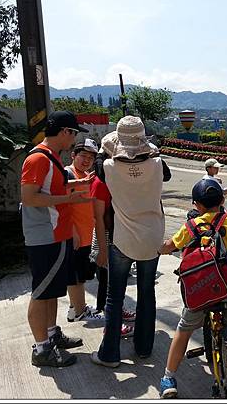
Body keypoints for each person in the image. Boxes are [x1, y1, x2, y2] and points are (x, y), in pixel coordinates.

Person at [158, 179, 227, 398]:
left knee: (184, 328)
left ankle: (168, 378)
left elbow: (169, 246)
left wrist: (158, 248)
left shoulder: (190, 227)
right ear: (222, 200)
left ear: (196, 205)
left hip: (201, 290)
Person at [20, 110, 93, 367]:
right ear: (65, 133)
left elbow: (52, 191)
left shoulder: (52, 158)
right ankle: (41, 349)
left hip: (56, 234)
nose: (74, 140)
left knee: (51, 291)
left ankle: (51, 335)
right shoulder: (38, 159)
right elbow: (29, 198)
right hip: (44, 237)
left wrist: (76, 187)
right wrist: (67, 198)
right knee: (41, 292)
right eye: (74, 134)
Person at [90, 116, 165, 368]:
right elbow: (166, 172)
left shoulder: (109, 168)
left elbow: (99, 165)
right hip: (152, 237)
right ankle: (143, 348)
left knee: (115, 297)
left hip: (123, 239)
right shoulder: (157, 164)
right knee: (147, 293)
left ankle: (109, 354)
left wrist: (104, 149)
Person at [89, 174, 137, 337]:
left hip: (117, 238)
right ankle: (111, 326)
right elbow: (99, 219)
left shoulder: (116, 177)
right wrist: (103, 250)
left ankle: (117, 317)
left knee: (115, 285)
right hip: (108, 240)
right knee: (110, 287)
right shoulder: (101, 182)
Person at [65, 139, 104, 323]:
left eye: (91, 157)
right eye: (83, 156)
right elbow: (62, 206)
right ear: (73, 155)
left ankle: (75, 309)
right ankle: (80, 311)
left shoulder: (86, 175)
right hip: (77, 235)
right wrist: (72, 231)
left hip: (87, 234)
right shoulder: (69, 173)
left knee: (80, 275)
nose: (87, 160)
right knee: (76, 277)